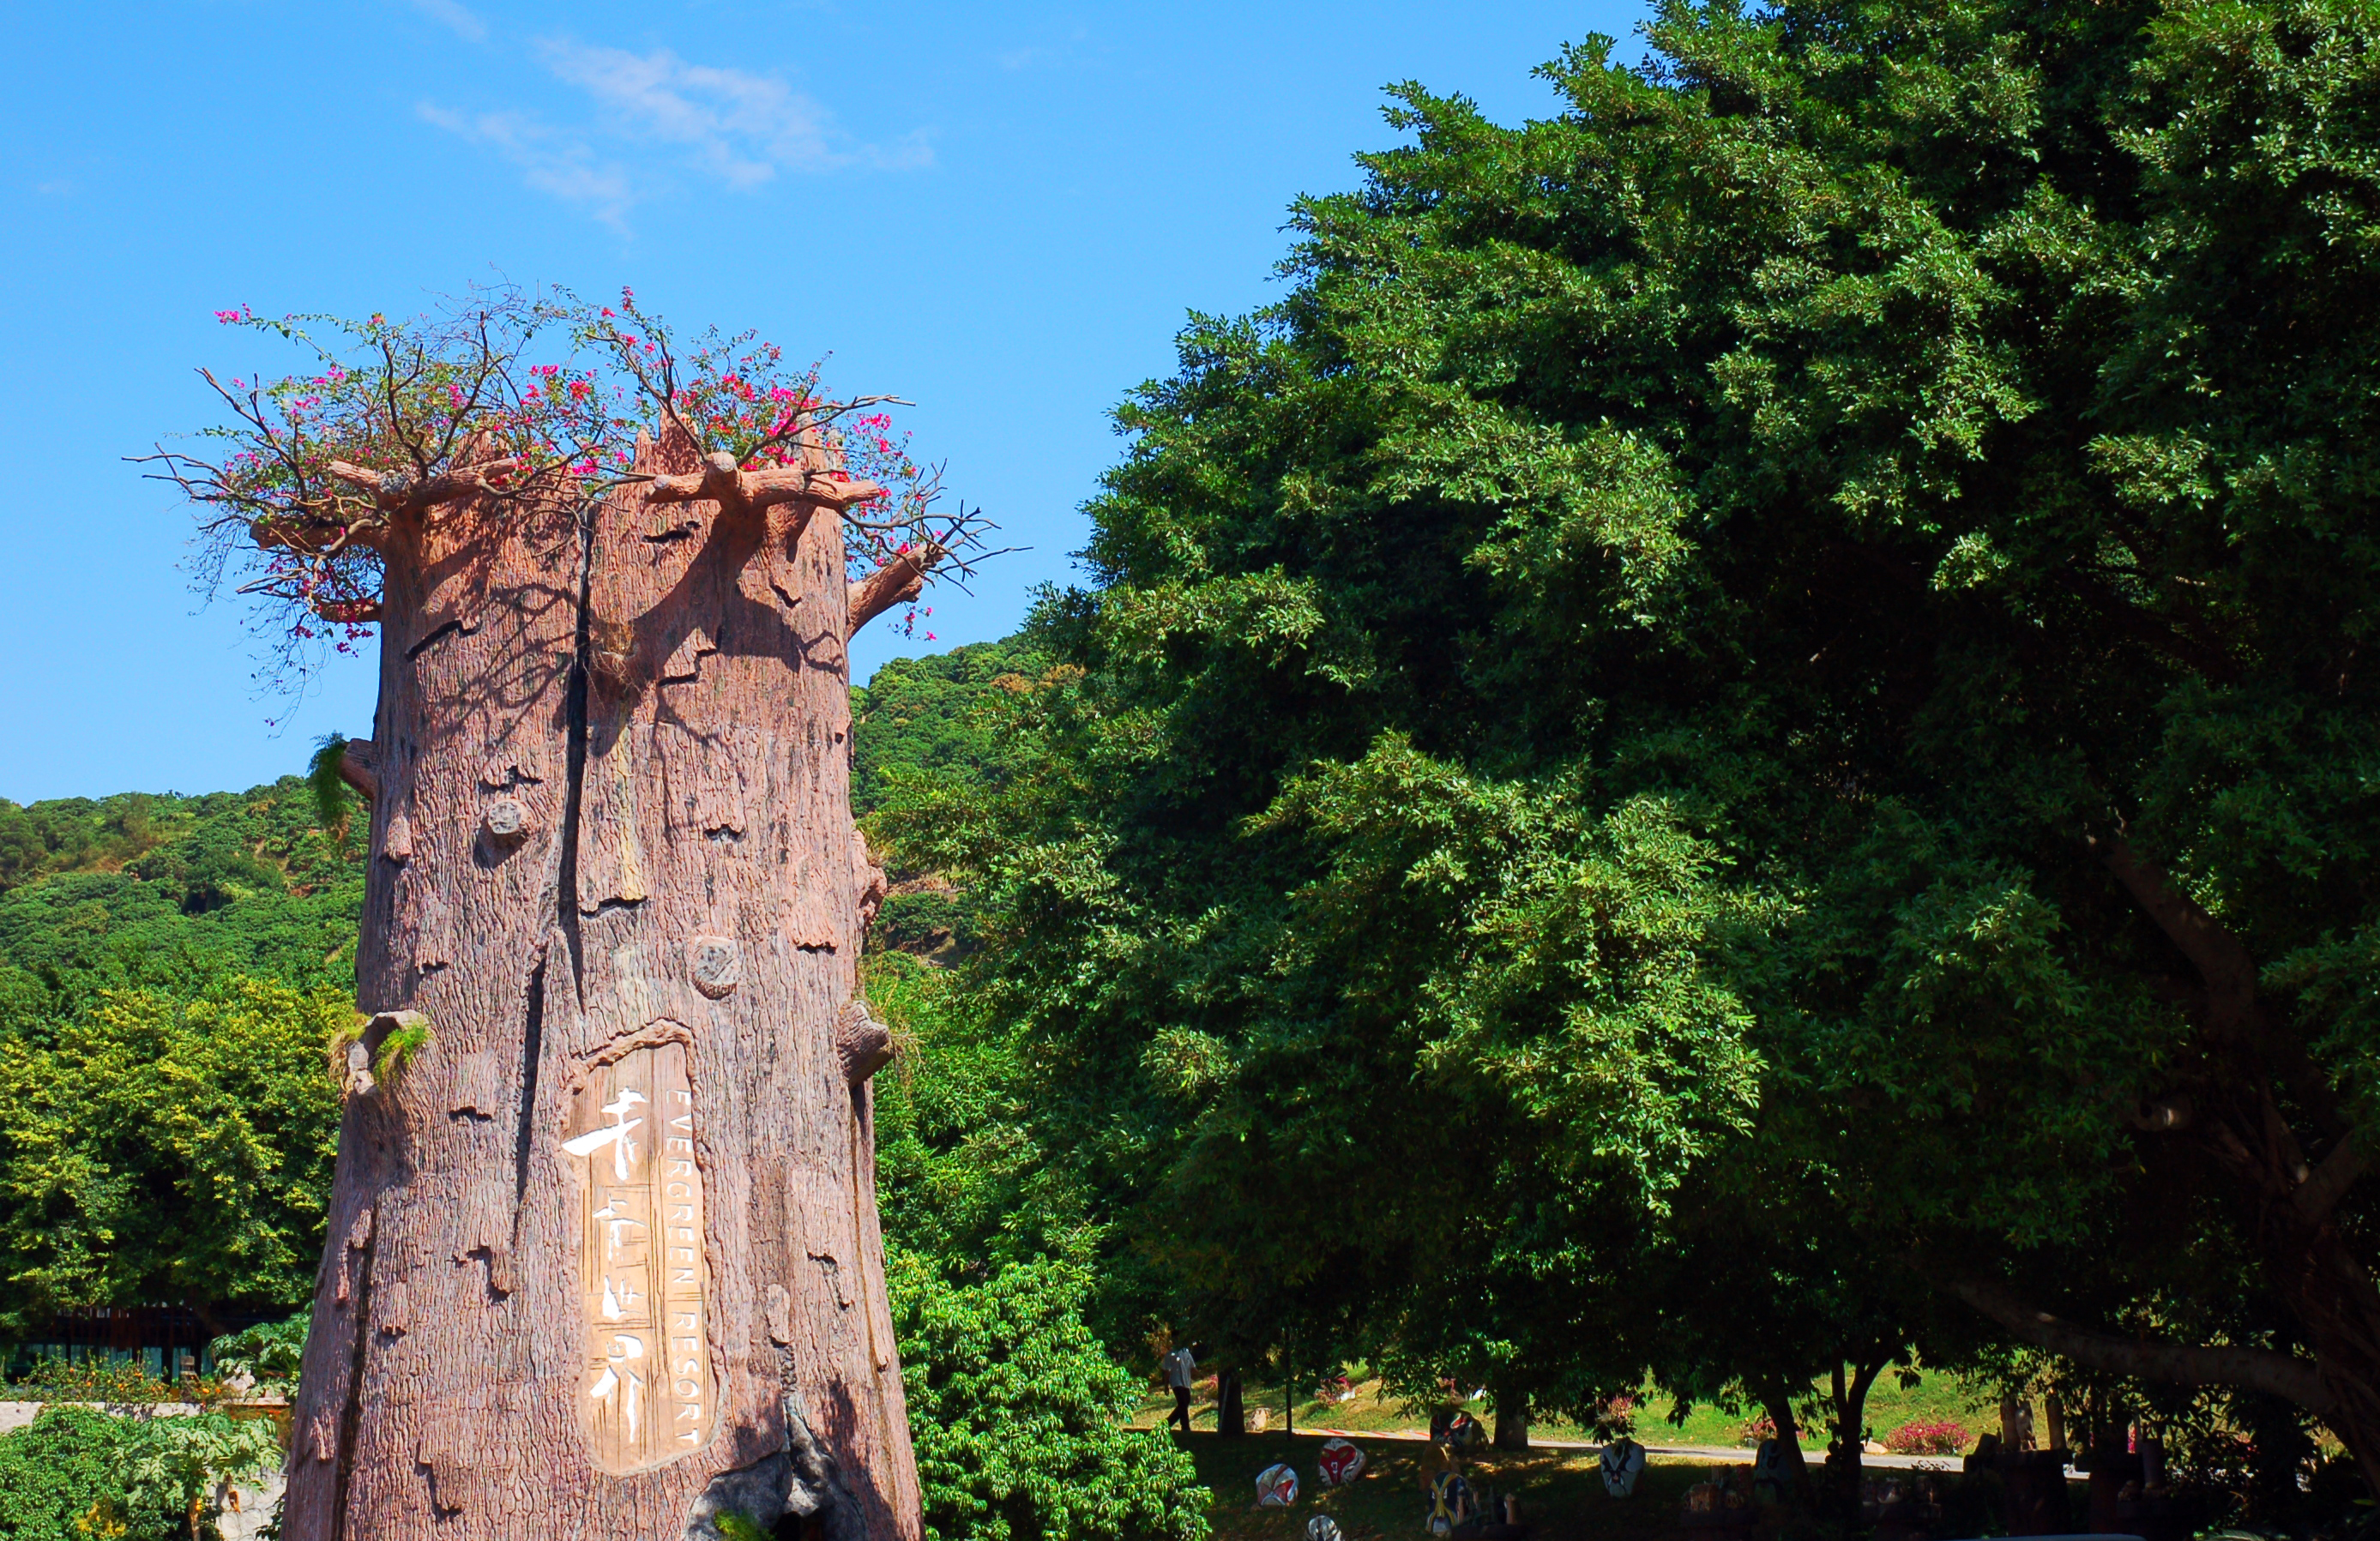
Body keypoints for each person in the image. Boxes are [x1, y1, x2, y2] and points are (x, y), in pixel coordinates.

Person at [1163, 1343, 1197, 1433]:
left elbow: (1192, 1367)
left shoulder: (1186, 1353)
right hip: (1176, 1381)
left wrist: (1201, 1375)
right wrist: (1166, 1385)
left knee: (1185, 1403)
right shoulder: (1170, 1354)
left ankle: (1167, 1424)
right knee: (1182, 1403)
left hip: (1186, 1382)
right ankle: (1185, 1427)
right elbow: (1167, 1370)